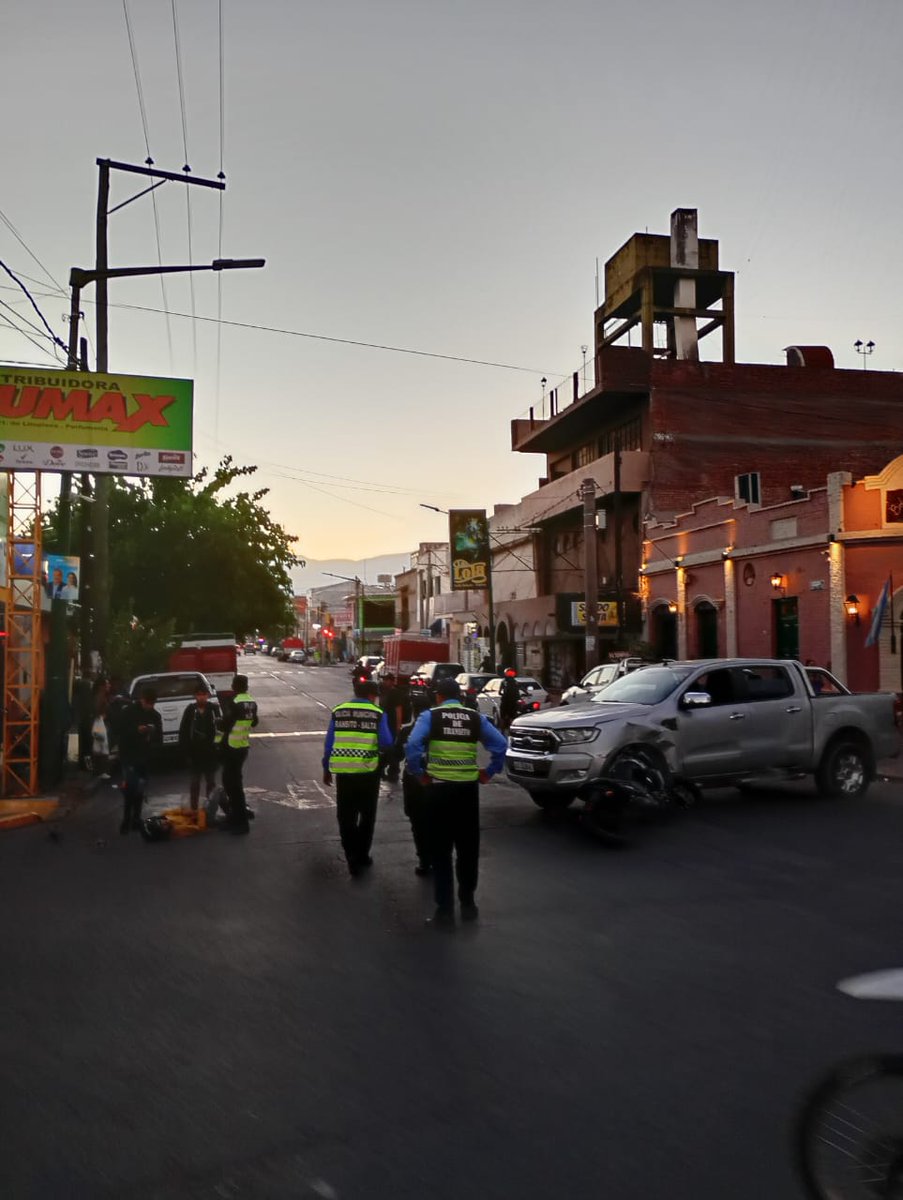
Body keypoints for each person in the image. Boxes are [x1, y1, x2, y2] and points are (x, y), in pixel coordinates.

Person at [405, 675, 508, 927]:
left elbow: (413, 746)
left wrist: (420, 775)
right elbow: (500, 745)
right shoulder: (475, 718)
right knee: (467, 847)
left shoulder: (430, 716)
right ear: (460, 697)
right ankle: (468, 902)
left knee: (440, 850)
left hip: (438, 790)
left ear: (438, 696)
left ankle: (445, 910)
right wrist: (489, 772)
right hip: (467, 791)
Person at [322, 678, 394, 875]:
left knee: (345, 815)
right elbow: (386, 742)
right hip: (368, 773)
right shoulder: (378, 714)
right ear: (372, 695)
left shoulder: (338, 711)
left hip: (344, 773)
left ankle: (350, 854)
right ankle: (362, 854)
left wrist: (326, 769)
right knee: (367, 814)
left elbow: (329, 744)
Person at [118, 687, 163, 835]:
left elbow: (159, 738)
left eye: (152, 704)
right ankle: (126, 819)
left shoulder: (155, 716)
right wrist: (137, 731)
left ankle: (136, 819)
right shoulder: (128, 712)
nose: (149, 707)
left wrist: (151, 735)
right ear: (142, 700)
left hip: (144, 757)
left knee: (140, 789)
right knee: (129, 788)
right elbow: (122, 733)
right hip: (129, 756)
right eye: (147, 703)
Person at [219, 674, 259, 834]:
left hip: (231, 746)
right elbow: (255, 721)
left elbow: (226, 724)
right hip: (243, 745)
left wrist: (219, 723)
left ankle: (239, 822)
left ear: (235, 686)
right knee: (235, 783)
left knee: (232, 785)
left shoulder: (234, 702)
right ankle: (236, 817)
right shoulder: (252, 702)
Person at [393, 716, 432, 875]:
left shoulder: (407, 731)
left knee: (417, 820)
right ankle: (438, 855)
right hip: (437, 778)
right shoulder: (438, 729)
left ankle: (424, 859)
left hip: (414, 780)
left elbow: (397, 756)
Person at [178, 682, 220, 816]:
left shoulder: (214, 709)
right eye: (199, 695)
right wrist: (186, 752)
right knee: (195, 783)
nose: (201, 698)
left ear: (207, 695)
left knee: (211, 783)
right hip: (195, 752)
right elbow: (183, 732)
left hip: (210, 752)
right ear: (195, 696)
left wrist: (218, 748)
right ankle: (194, 809)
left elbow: (220, 731)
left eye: (204, 695)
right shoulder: (190, 710)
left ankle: (210, 810)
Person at [378, 671, 406, 782]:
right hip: (384, 724)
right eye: (383, 679)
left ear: (392, 681)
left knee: (391, 749)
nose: (384, 681)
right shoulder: (383, 691)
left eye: (386, 680)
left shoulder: (395, 693)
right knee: (385, 749)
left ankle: (393, 772)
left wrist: (398, 726)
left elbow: (398, 709)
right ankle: (384, 770)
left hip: (392, 725)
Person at [498, 667, 521, 732]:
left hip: (506, 702)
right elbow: (521, 689)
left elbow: (499, 692)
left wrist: (503, 695)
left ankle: (502, 731)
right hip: (512, 702)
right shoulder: (515, 682)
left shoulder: (504, 681)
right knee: (511, 716)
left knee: (503, 717)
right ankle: (511, 730)